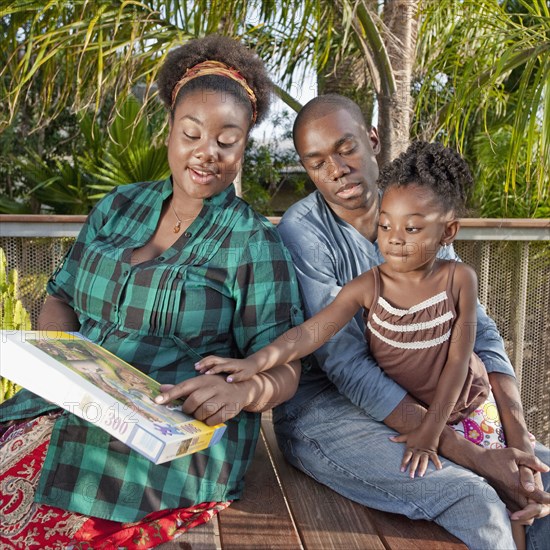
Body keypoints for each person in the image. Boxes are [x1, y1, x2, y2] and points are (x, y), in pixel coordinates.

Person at [0, 35, 303, 549]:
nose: (206, 153)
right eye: (192, 134)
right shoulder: (119, 206)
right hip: (70, 403)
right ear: (170, 132)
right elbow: (61, 295)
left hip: (172, 434)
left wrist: (241, 393)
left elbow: (287, 367)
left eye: (227, 141)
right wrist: (64, 367)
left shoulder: (253, 242)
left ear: (244, 146)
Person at [195, 140, 534, 548]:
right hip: (362, 411)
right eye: (385, 226)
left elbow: (467, 353)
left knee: (530, 487)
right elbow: (314, 334)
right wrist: (255, 362)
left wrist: (516, 438)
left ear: (446, 233)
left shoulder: (455, 277)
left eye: (410, 228)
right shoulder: (366, 282)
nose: (392, 239)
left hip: (469, 408)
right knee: (479, 497)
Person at [272, 95, 549, 549]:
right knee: (474, 497)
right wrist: (477, 456)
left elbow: (479, 329)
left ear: (373, 139)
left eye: (346, 148)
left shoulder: (414, 206)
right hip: (327, 412)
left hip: (427, 398)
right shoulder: (304, 232)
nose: (337, 169)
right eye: (317, 162)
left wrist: (517, 439)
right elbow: (346, 367)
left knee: (541, 477)